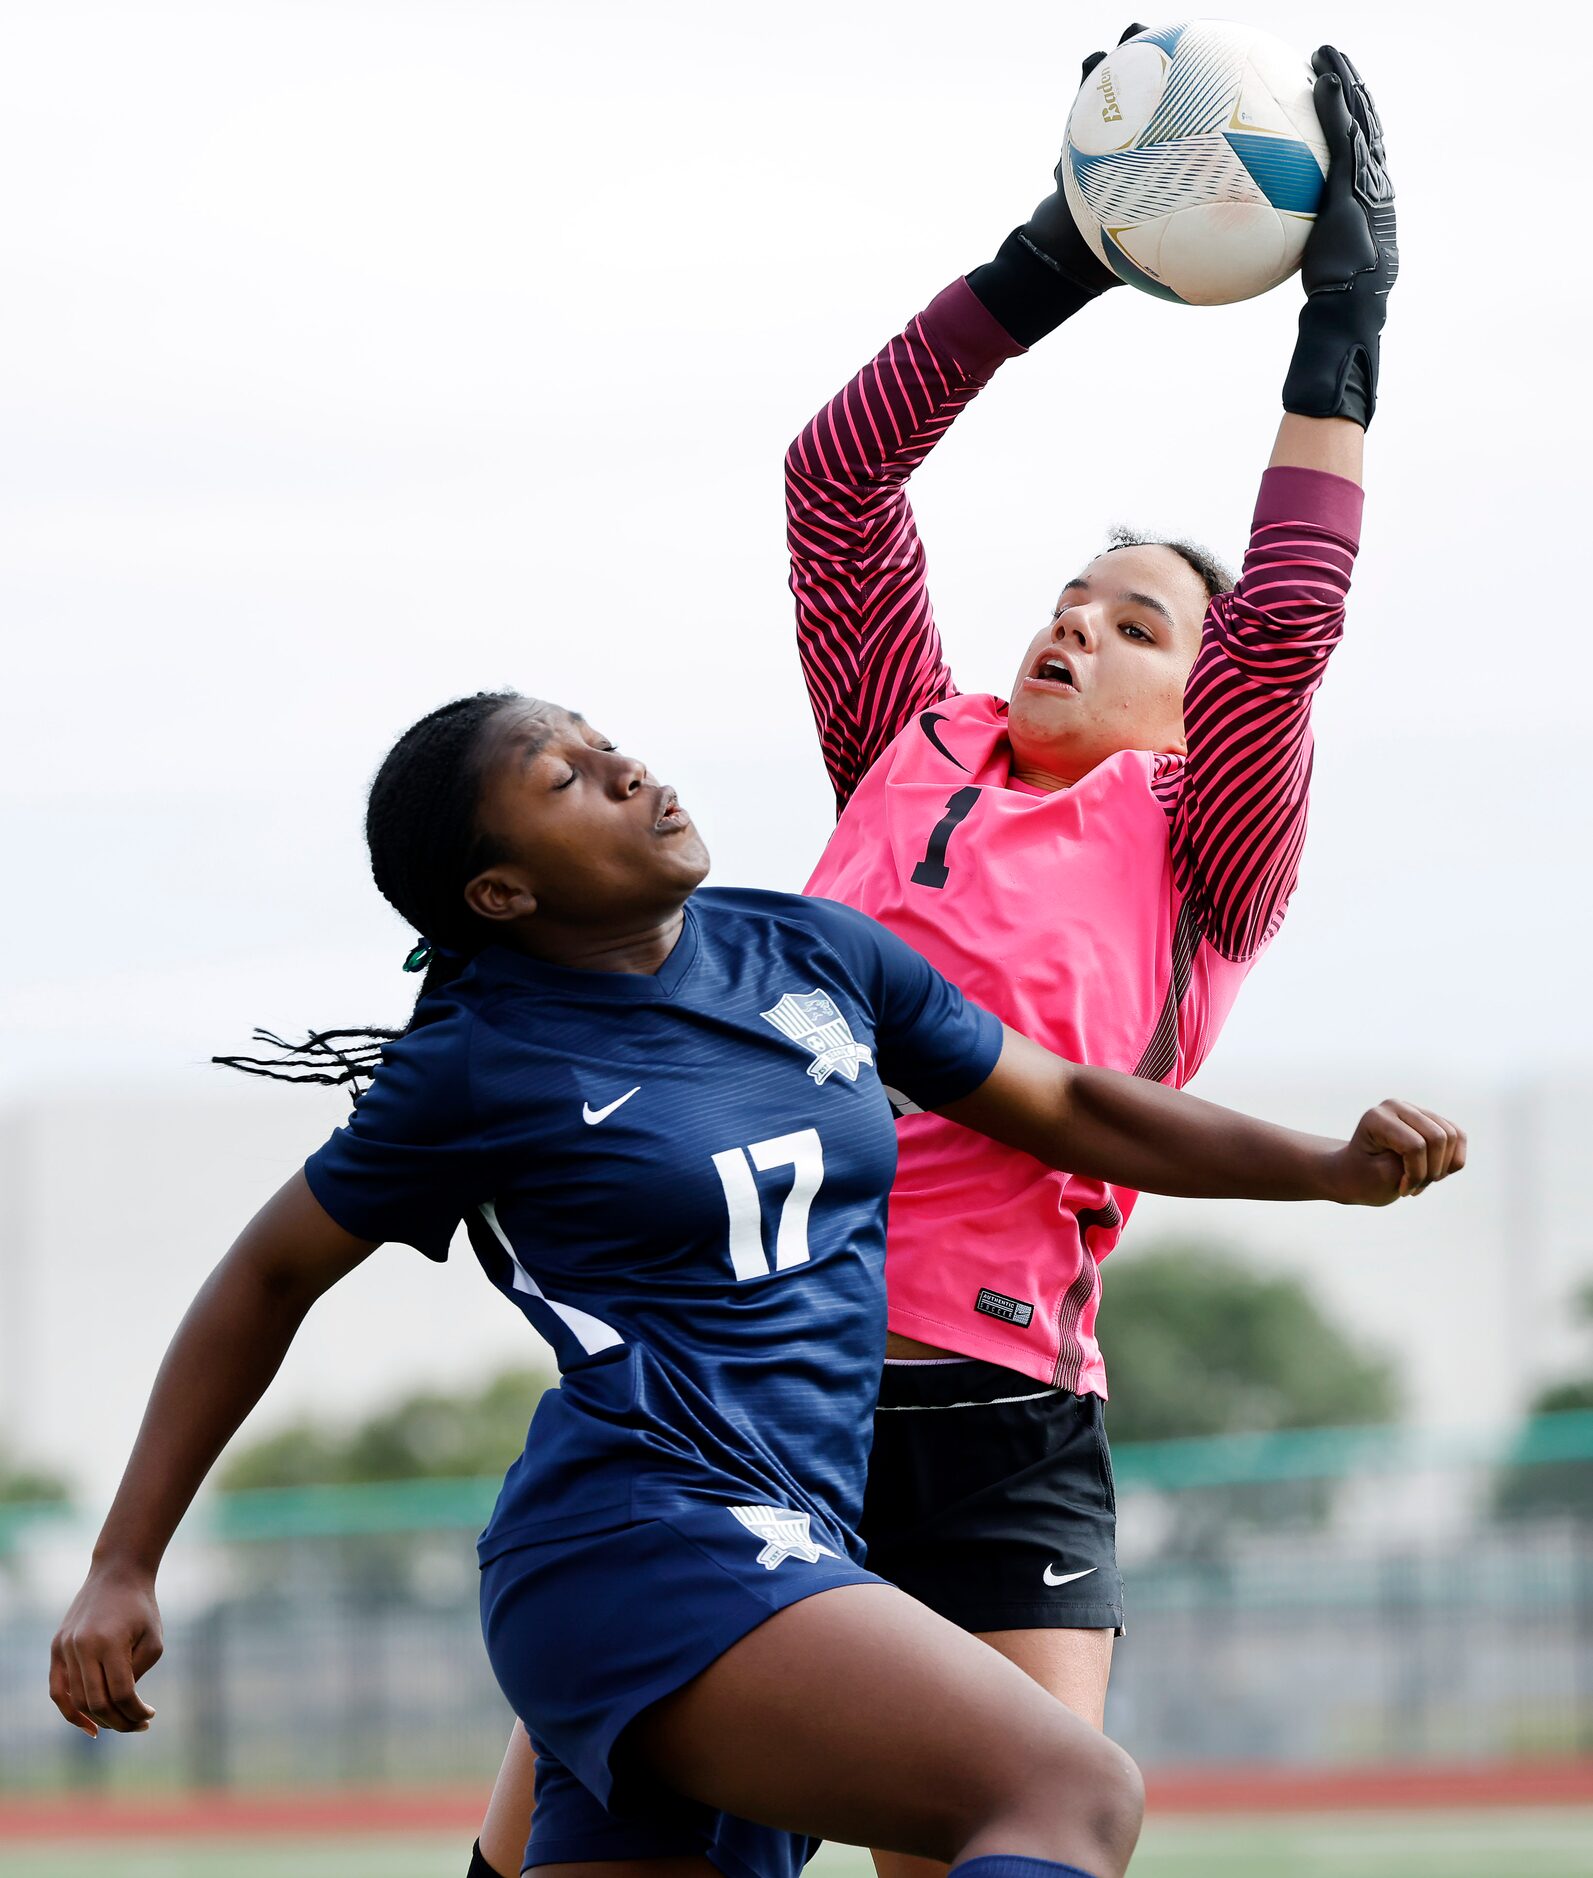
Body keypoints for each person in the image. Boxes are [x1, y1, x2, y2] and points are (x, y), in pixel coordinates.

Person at [471, 33, 1401, 1878]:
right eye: (1069, 595)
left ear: (1191, 706)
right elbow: (837, 482)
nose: (1075, 620)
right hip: (745, 1379)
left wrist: (1344, 330)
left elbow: (1282, 632)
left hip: (999, 1432)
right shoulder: (910, 735)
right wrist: (1061, 250)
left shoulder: (1203, 847)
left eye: (1134, 622)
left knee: (1030, 1828)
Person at [50, 692, 1461, 1878]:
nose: (626, 767)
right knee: (1069, 1791)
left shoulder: (808, 948)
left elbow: (1070, 1106)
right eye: (567, 778)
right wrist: (124, 1557)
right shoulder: (480, 1060)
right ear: (501, 892)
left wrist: (1326, 1167)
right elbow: (265, 1274)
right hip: (641, 1543)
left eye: (608, 742)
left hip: (782, 1541)